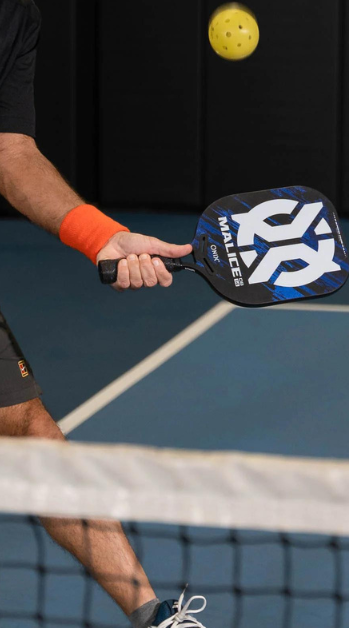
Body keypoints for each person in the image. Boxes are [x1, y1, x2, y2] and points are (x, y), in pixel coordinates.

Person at [0, 2, 207, 627]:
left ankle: (154, 617)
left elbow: (9, 151)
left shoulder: (14, 15)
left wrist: (101, 237)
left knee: (27, 430)